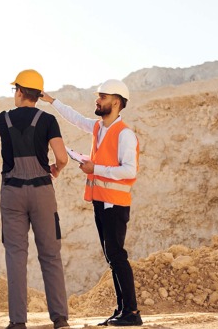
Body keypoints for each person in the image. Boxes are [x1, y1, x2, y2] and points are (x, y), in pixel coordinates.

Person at [0, 69, 70, 329]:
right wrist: (56, 169)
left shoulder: (4, 119)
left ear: (21, 92)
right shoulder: (48, 121)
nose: (14, 94)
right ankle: (59, 319)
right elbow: (62, 157)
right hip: (42, 193)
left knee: (15, 255)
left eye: (15, 90)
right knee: (50, 255)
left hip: (12, 194)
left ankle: (18, 322)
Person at [40, 79, 142, 327]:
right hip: (101, 202)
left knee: (117, 255)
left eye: (102, 96)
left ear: (116, 101)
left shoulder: (125, 134)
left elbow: (129, 171)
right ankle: (121, 310)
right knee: (112, 257)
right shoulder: (99, 127)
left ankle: (132, 313)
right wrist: (52, 101)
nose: (97, 100)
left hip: (115, 204)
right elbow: (74, 118)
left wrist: (95, 167)